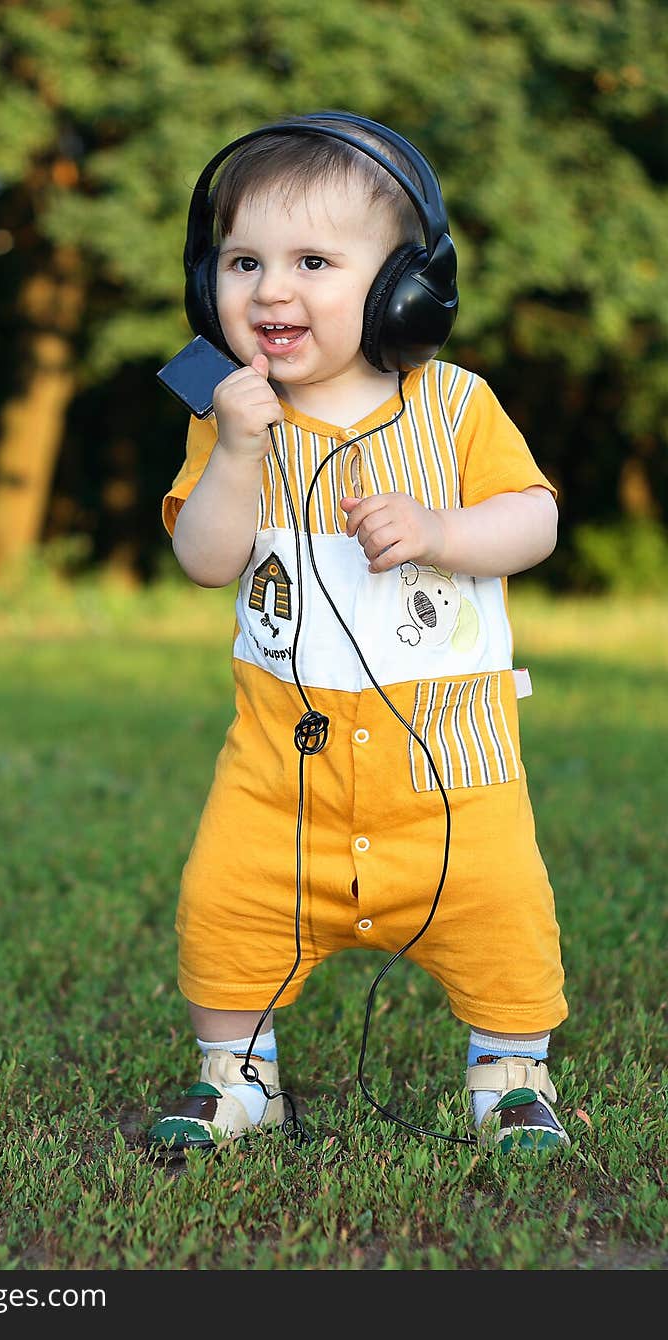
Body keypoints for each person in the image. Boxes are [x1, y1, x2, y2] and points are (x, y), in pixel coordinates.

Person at [148, 111, 569, 1156]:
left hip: (449, 769)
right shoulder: (226, 410)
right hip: (279, 768)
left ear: (403, 289)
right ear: (209, 288)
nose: (269, 289)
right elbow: (204, 555)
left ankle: (509, 1073)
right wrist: (238, 452)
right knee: (229, 902)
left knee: (500, 909)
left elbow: (537, 518)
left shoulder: (456, 404)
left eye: (312, 262)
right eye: (242, 261)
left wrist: (439, 529)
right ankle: (237, 1071)